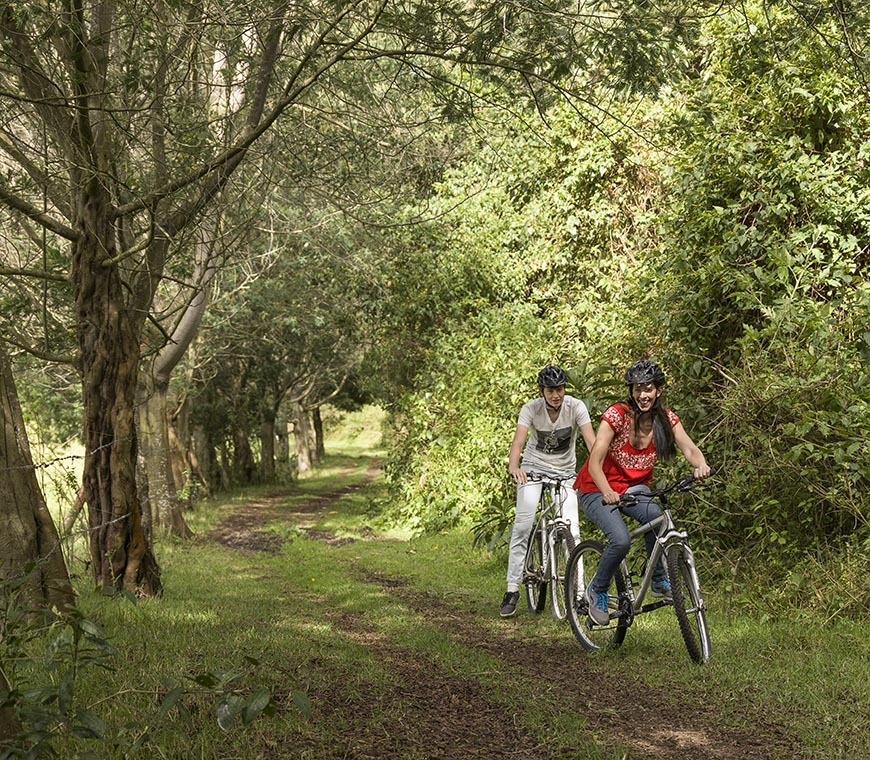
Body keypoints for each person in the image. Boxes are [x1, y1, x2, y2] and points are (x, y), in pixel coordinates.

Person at [574, 360, 711, 625]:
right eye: (637, 389)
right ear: (631, 391)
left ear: (658, 390)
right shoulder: (617, 415)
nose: (642, 395)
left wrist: (701, 465)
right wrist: (607, 492)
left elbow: (690, 449)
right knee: (621, 540)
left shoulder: (666, 419)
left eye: (647, 388)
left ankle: (660, 579)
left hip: (633, 488)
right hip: (596, 486)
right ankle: (597, 590)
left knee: (656, 518)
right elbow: (594, 461)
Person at [500, 365, 596, 618]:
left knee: (573, 530)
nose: (556, 395)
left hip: (565, 473)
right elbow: (519, 442)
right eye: (551, 390)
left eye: (560, 389)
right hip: (532, 468)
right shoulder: (531, 409)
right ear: (542, 391)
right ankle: (512, 589)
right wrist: (514, 466)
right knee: (523, 525)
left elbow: (591, 442)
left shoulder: (575, 407)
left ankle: (579, 594)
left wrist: (598, 470)